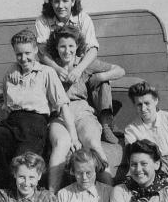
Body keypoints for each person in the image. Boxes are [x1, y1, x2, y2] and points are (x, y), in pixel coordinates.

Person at [0, 29, 79, 196]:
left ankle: (20, 198)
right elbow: (6, 104)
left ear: (35, 50)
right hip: (12, 122)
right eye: (18, 54)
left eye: (27, 53)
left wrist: (74, 136)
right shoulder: (10, 73)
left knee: (24, 162)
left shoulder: (47, 73)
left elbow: (63, 105)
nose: (23, 58)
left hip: (35, 124)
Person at [35, 0, 119, 144]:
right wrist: (57, 69)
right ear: (51, 2)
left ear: (73, 2)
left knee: (101, 76)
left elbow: (93, 48)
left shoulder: (82, 17)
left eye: (65, 1)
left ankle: (105, 122)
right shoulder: (42, 20)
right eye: (56, 1)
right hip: (54, 63)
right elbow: (42, 52)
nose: (61, 6)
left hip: (79, 62)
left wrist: (79, 69)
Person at [46, 25, 125, 192]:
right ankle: (52, 196)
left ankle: (109, 192)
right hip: (59, 113)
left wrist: (102, 76)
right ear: (56, 48)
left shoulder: (85, 63)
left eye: (71, 46)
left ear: (77, 47)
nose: (67, 51)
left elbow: (120, 71)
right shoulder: (51, 68)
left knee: (93, 143)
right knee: (61, 144)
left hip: (83, 111)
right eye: (62, 46)